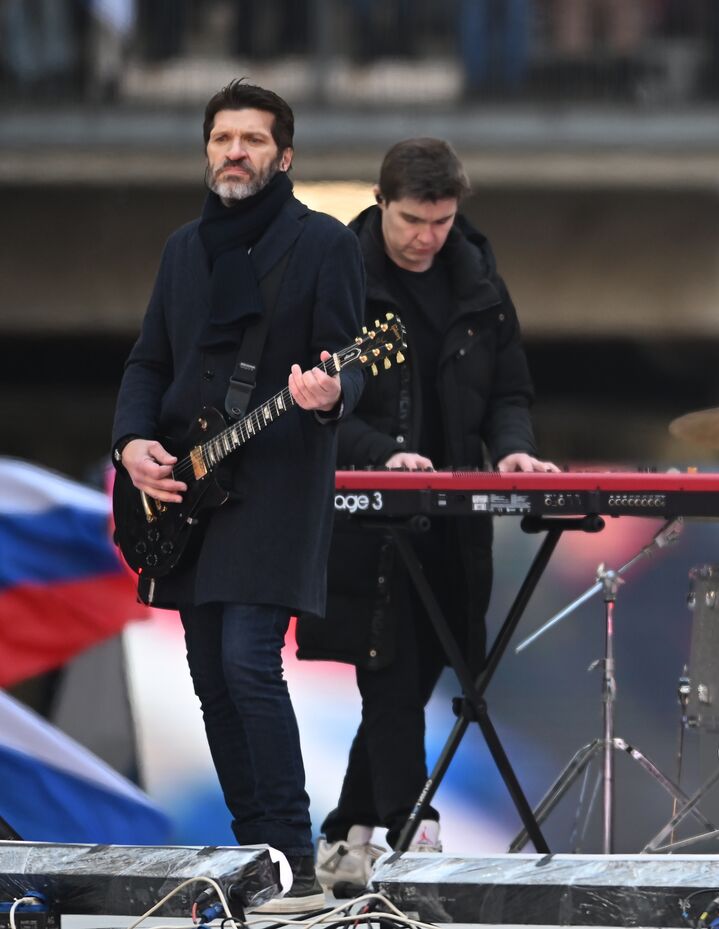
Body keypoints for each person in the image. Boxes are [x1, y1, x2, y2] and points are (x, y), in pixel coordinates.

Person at [112, 79, 366, 914]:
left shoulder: (323, 243)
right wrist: (131, 443)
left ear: (283, 156)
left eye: (252, 139)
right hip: (186, 494)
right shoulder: (183, 249)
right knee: (210, 678)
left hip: (274, 490)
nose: (235, 152)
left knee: (247, 661)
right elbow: (150, 361)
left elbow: (351, 358)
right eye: (223, 138)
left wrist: (332, 391)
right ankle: (257, 848)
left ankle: (294, 858)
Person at [295, 138, 556, 891]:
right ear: (381, 203)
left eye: (441, 221)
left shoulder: (478, 277)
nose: (427, 237)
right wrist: (384, 454)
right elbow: (319, 405)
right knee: (389, 667)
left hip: (454, 522)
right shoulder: (339, 278)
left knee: (421, 673)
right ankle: (415, 835)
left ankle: (344, 833)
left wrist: (515, 451)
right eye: (412, 219)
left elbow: (509, 390)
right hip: (367, 524)